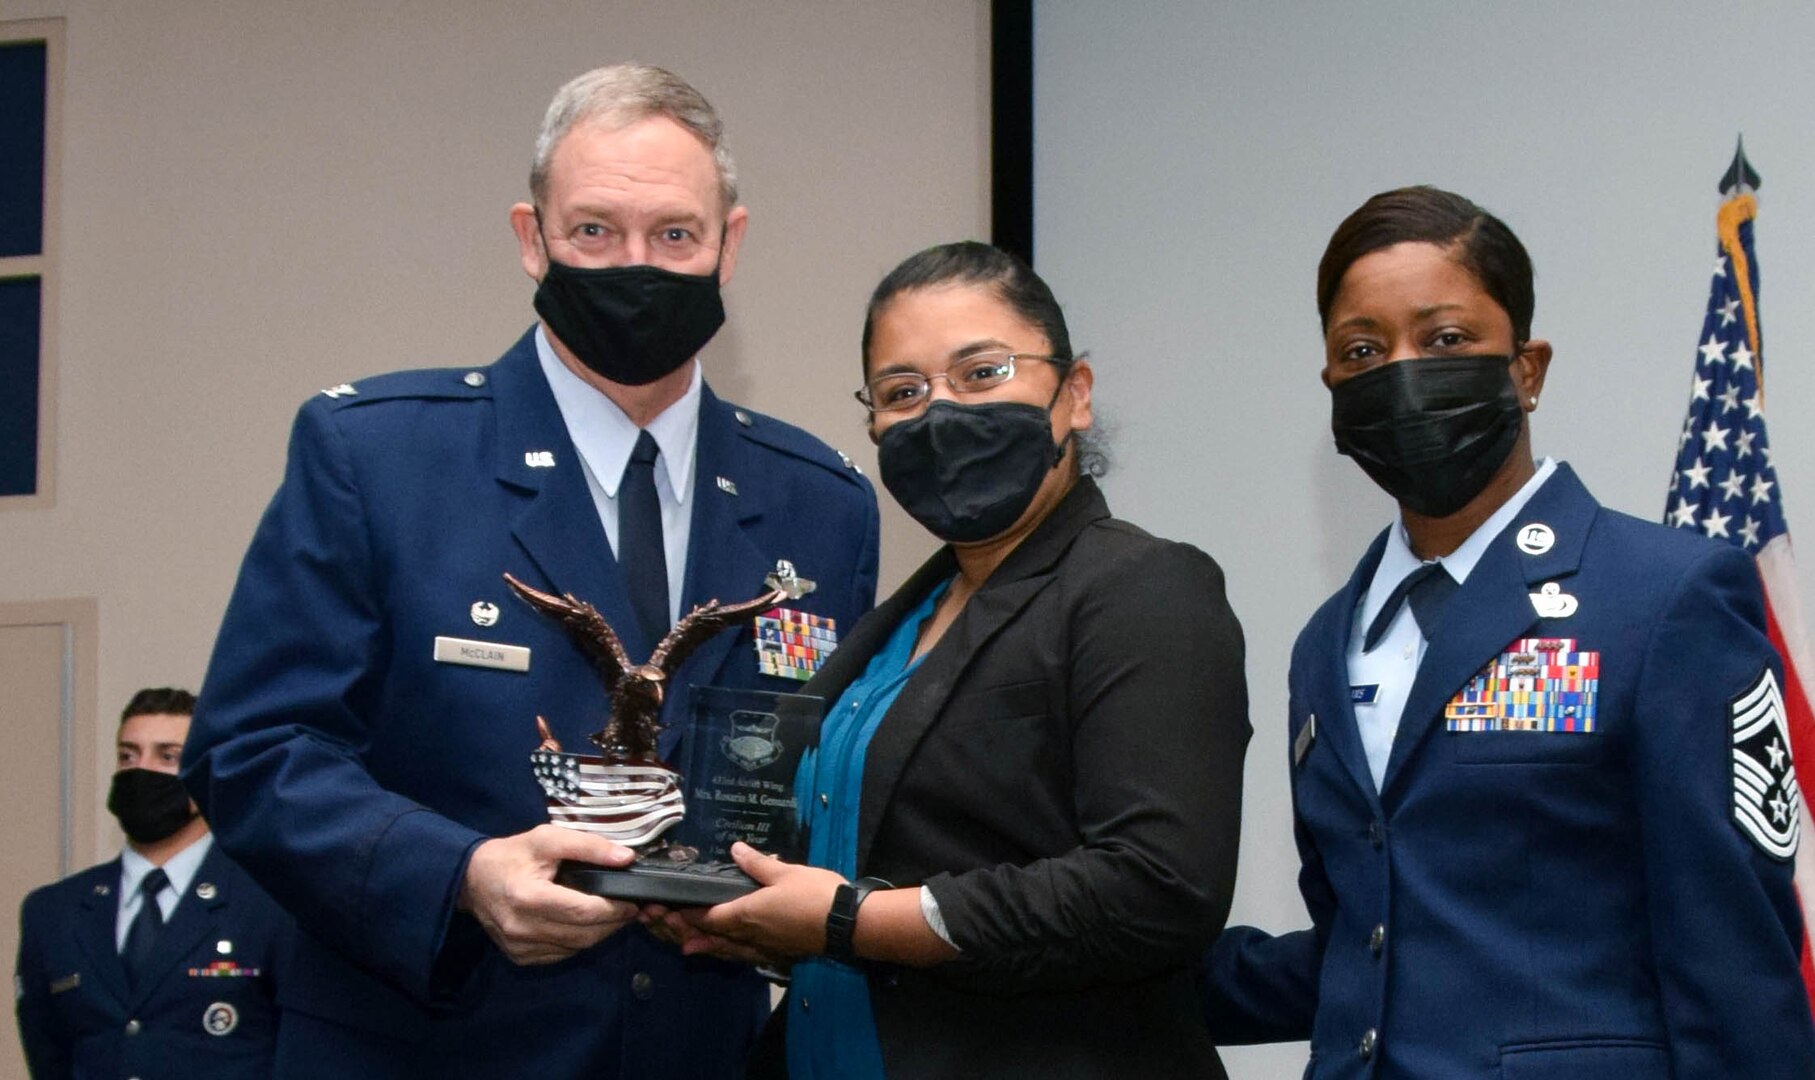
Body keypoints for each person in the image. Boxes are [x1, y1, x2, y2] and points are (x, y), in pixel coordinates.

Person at [180, 64, 879, 1078]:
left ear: (728, 245)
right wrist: (461, 874)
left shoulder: (821, 503)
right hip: (424, 1045)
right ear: (531, 237)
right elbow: (254, 750)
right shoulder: (376, 456)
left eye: (674, 235)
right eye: (594, 231)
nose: (634, 265)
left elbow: (830, 781)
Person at [1201, 186, 1815, 1077]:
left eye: (1445, 340)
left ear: (1526, 369)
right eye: (1362, 349)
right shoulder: (1327, 641)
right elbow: (1371, 938)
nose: (1402, 371)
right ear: (1331, 383)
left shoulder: (1666, 596)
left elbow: (1732, 963)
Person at [653, 241, 1250, 1078]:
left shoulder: (1141, 588)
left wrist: (844, 921)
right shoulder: (902, 620)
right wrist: (740, 914)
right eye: (903, 392)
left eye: (982, 373)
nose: (941, 414)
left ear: (1073, 393)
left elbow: (1154, 892)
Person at [15, 688, 292, 1079]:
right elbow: (49, 1056)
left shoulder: (269, 902)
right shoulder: (54, 912)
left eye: (168, 757)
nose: (141, 771)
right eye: (128, 755)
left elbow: (299, 1051)